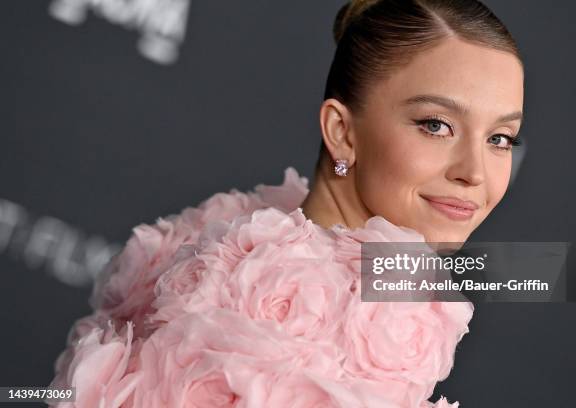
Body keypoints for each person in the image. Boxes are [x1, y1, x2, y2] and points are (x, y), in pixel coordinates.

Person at [47, 0, 524, 406]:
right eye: (436, 125)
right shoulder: (287, 315)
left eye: (501, 138)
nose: (475, 173)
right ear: (342, 132)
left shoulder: (316, 254)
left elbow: (569, 272)